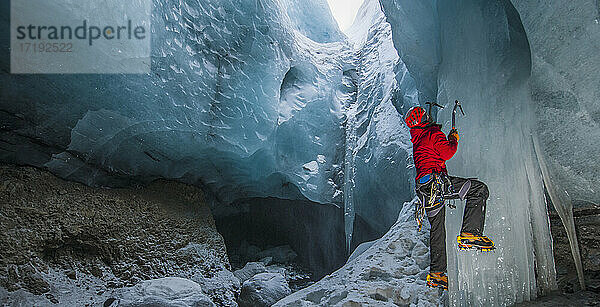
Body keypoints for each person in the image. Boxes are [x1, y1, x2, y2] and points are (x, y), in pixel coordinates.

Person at [404, 106, 495, 291]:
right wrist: (452, 138)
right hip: (436, 183)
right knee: (478, 190)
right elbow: (447, 153)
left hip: (424, 189)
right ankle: (470, 232)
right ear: (423, 119)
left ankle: (437, 274)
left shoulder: (418, 139)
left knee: (437, 230)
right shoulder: (431, 133)